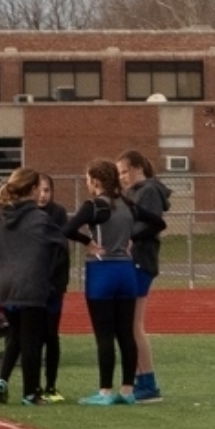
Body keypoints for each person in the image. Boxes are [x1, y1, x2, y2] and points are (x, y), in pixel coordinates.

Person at [66, 159, 164, 405]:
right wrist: (132, 237)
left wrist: (87, 242)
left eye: (89, 179)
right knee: (125, 333)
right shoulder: (128, 204)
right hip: (126, 271)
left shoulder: (94, 206)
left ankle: (105, 391)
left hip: (102, 270)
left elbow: (67, 229)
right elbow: (158, 223)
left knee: (104, 335)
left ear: (96, 181)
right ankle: (128, 390)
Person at [0, 168, 63, 406]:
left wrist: (0, 272)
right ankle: (31, 392)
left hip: (6, 287)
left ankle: (4, 379)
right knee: (32, 341)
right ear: (31, 190)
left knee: (15, 336)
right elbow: (59, 243)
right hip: (31, 285)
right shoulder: (39, 218)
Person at [117, 150, 172, 403]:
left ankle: (148, 381)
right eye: (119, 173)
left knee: (134, 324)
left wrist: (130, 238)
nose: (122, 177)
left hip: (141, 260)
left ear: (138, 167)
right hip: (133, 259)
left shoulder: (148, 191)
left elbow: (151, 223)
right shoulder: (135, 192)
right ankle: (140, 379)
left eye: (125, 171)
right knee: (128, 324)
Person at [33, 173, 69, 401]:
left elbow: (60, 249)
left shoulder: (58, 214)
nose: (43, 195)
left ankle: (51, 385)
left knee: (51, 335)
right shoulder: (25, 214)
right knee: (32, 336)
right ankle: (33, 385)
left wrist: (52, 281)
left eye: (47, 190)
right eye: (39, 190)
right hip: (30, 285)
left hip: (53, 284)